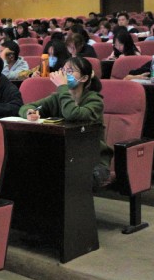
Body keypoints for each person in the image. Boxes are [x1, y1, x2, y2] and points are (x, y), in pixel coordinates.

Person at [20, 57, 112, 190]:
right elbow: (26, 107)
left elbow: (72, 114)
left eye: (70, 71)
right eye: (63, 70)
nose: (64, 74)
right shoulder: (57, 98)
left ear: (84, 78)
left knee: (59, 176)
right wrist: (28, 113)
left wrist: (62, 87)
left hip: (93, 162)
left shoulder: (94, 101)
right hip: (67, 157)